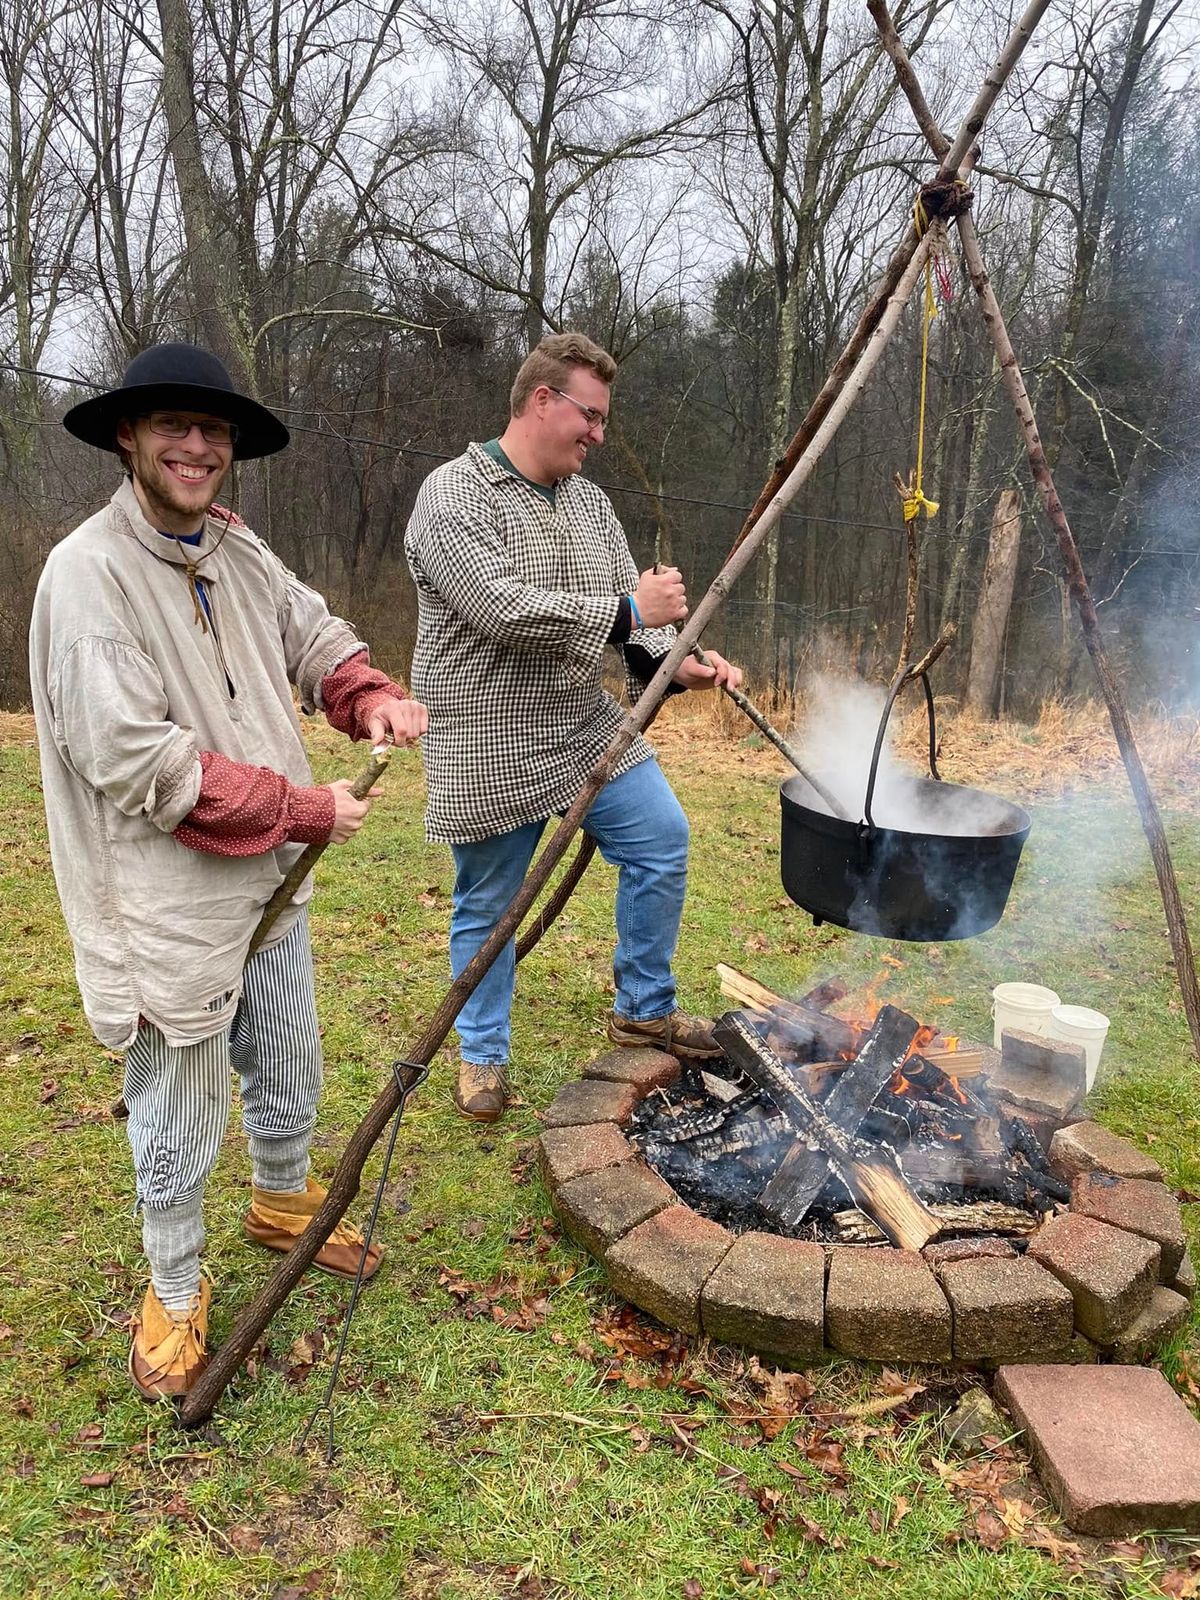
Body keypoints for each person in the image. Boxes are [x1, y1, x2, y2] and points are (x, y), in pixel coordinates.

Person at [28, 343, 427, 1401]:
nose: (198, 447)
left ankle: (282, 1200)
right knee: (181, 1100)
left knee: (289, 1060)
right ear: (128, 435)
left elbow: (306, 629)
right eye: (174, 426)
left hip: (270, 879)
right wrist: (303, 808)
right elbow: (136, 761)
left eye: (214, 432)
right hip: (164, 902)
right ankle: (170, 1285)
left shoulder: (234, 546)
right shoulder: (88, 574)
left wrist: (362, 691)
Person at [404, 331, 743, 1123]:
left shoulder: (590, 505)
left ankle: (644, 1012)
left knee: (662, 839)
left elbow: (633, 633)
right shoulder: (453, 496)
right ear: (541, 401)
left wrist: (675, 662)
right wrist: (632, 609)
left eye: (602, 419)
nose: (598, 433)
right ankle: (483, 1056)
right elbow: (503, 610)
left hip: (579, 722)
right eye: (588, 416)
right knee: (490, 904)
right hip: (482, 730)